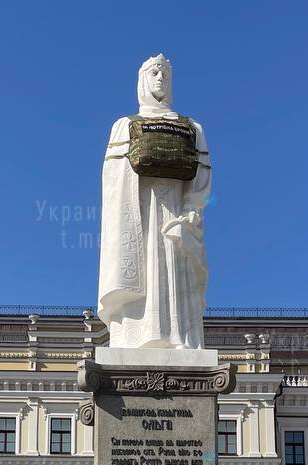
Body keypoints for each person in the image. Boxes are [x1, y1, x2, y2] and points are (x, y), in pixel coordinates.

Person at [98, 54, 211, 351]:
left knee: (174, 270)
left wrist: (190, 211)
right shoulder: (125, 125)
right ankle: (134, 336)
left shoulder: (192, 128)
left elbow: (201, 180)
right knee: (145, 270)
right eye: (154, 73)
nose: (160, 79)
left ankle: (178, 337)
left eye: (165, 74)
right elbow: (114, 180)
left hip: (175, 213)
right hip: (139, 213)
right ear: (142, 81)